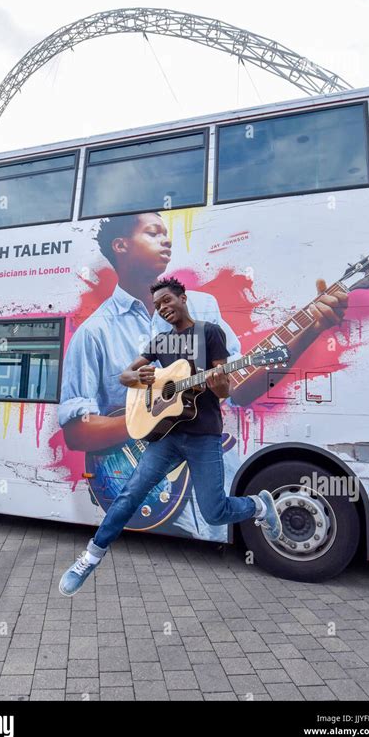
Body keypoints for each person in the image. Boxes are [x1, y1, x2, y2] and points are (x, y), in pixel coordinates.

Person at [59, 275, 348, 596]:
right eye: (157, 305)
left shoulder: (210, 333)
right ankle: (90, 557)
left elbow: (231, 389)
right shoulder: (160, 343)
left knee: (215, 511)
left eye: (167, 301)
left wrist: (218, 382)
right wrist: (136, 376)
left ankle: (259, 506)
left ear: (183, 299)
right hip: (166, 437)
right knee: (128, 496)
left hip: (203, 436)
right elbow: (128, 374)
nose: (163, 309)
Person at [58, 211, 244, 542]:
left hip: (210, 471)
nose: (167, 240)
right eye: (153, 233)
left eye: (166, 233)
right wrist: (149, 416)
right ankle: (89, 558)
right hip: (149, 492)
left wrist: (308, 331)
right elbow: (77, 430)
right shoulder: (94, 332)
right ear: (121, 246)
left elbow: (239, 389)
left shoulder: (204, 310)